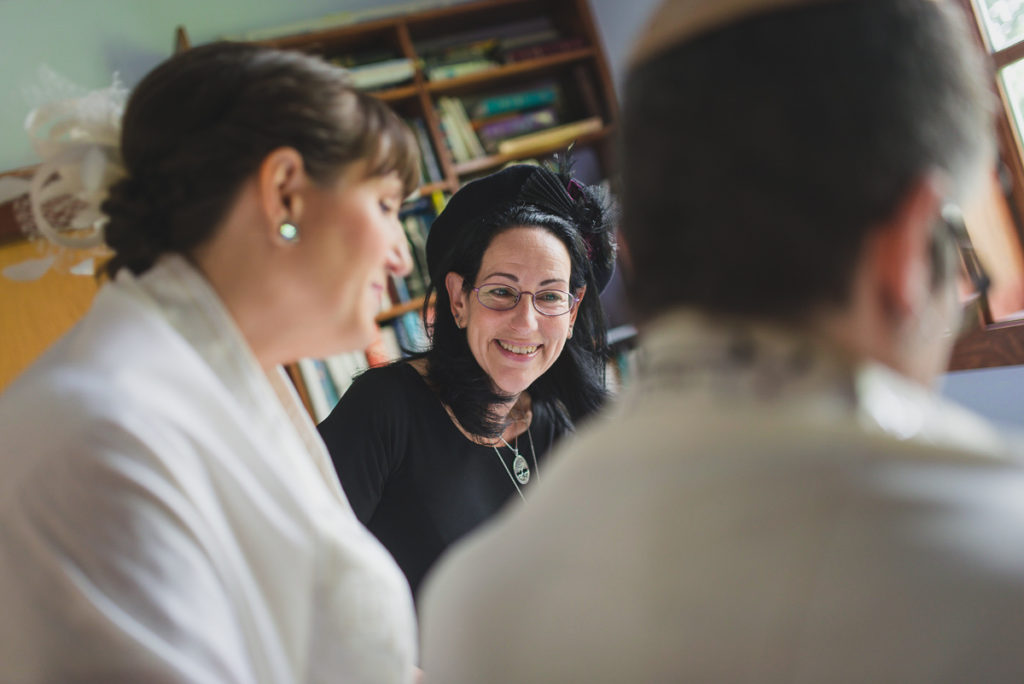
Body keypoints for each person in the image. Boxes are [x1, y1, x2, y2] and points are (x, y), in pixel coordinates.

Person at [418, 1, 1024, 681]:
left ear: (631, 257)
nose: (526, 322)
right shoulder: (1000, 562)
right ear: (910, 254)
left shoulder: (473, 603)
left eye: (546, 295)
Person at [0, 42, 424, 682]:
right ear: (285, 193)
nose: (400, 255)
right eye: (388, 206)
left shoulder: (249, 385)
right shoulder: (107, 432)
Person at [318, 161, 616, 598]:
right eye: (501, 292)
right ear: (458, 299)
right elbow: (297, 577)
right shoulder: (384, 409)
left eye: (550, 296)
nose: (525, 323)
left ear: (572, 312)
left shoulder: (561, 426)